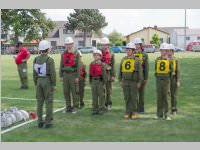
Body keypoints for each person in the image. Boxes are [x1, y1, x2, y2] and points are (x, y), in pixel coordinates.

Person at [33, 40, 56, 128]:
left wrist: (36, 83)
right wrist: (53, 84)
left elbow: (34, 73)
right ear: (47, 49)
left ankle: (39, 121)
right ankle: (48, 122)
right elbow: (53, 73)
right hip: (47, 81)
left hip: (38, 80)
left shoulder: (36, 59)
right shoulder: (49, 60)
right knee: (49, 101)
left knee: (39, 102)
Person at [118, 42, 142, 119]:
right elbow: (120, 71)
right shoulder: (123, 59)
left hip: (133, 82)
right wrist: (120, 80)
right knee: (127, 97)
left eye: (130, 50)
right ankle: (127, 112)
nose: (128, 51)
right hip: (125, 81)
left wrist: (139, 81)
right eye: (127, 50)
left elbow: (140, 72)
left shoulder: (137, 60)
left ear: (133, 51)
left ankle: (133, 112)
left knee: (134, 97)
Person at [59, 37, 80, 114]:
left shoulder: (76, 53)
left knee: (74, 91)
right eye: (67, 44)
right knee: (66, 92)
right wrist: (61, 75)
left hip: (73, 74)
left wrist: (77, 76)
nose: (68, 45)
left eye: (70, 44)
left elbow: (78, 66)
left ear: (72, 44)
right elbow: (61, 64)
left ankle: (75, 107)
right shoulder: (63, 53)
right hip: (65, 75)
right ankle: (68, 107)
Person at [154, 43, 173, 120]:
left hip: (166, 80)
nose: (163, 52)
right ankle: (159, 114)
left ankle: (166, 114)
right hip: (159, 80)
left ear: (167, 51)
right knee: (159, 97)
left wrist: (168, 78)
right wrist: (158, 76)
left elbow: (172, 71)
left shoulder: (170, 60)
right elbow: (156, 70)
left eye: (165, 51)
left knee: (165, 97)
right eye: (162, 50)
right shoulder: (157, 59)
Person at [133, 37, 149, 113]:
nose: (136, 46)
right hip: (133, 75)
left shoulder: (144, 54)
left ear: (140, 45)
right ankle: (135, 107)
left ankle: (141, 108)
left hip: (141, 75)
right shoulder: (132, 53)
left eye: (138, 44)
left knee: (141, 93)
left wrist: (146, 78)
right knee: (134, 93)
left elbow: (146, 67)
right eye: (135, 44)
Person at [100, 37, 115, 111]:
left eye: (105, 44)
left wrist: (113, 75)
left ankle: (108, 104)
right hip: (100, 74)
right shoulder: (99, 53)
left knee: (108, 91)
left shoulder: (111, 53)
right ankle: (102, 105)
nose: (104, 46)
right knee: (101, 90)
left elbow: (113, 65)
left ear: (108, 45)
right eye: (103, 45)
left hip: (108, 74)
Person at [89, 50, 106, 115]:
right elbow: (90, 73)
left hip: (100, 81)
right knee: (94, 96)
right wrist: (90, 82)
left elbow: (104, 74)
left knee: (101, 95)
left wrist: (104, 83)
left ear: (100, 56)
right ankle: (95, 109)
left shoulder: (102, 64)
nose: (96, 56)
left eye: (97, 55)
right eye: (95, 55)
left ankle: (101, 109)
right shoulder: (91, 64)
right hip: (93, 81)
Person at [168, 44, 180, 115]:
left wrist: (178, 80)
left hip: (173, 79)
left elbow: (177, 71)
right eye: (168, 50)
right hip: (166, 79)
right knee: (166, 95)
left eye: (170, 51)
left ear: (173, 51)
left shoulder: (175, 59)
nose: (168, 52)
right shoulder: (165, 59)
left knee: (173, 95)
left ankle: (174, 109)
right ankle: (166, 109)